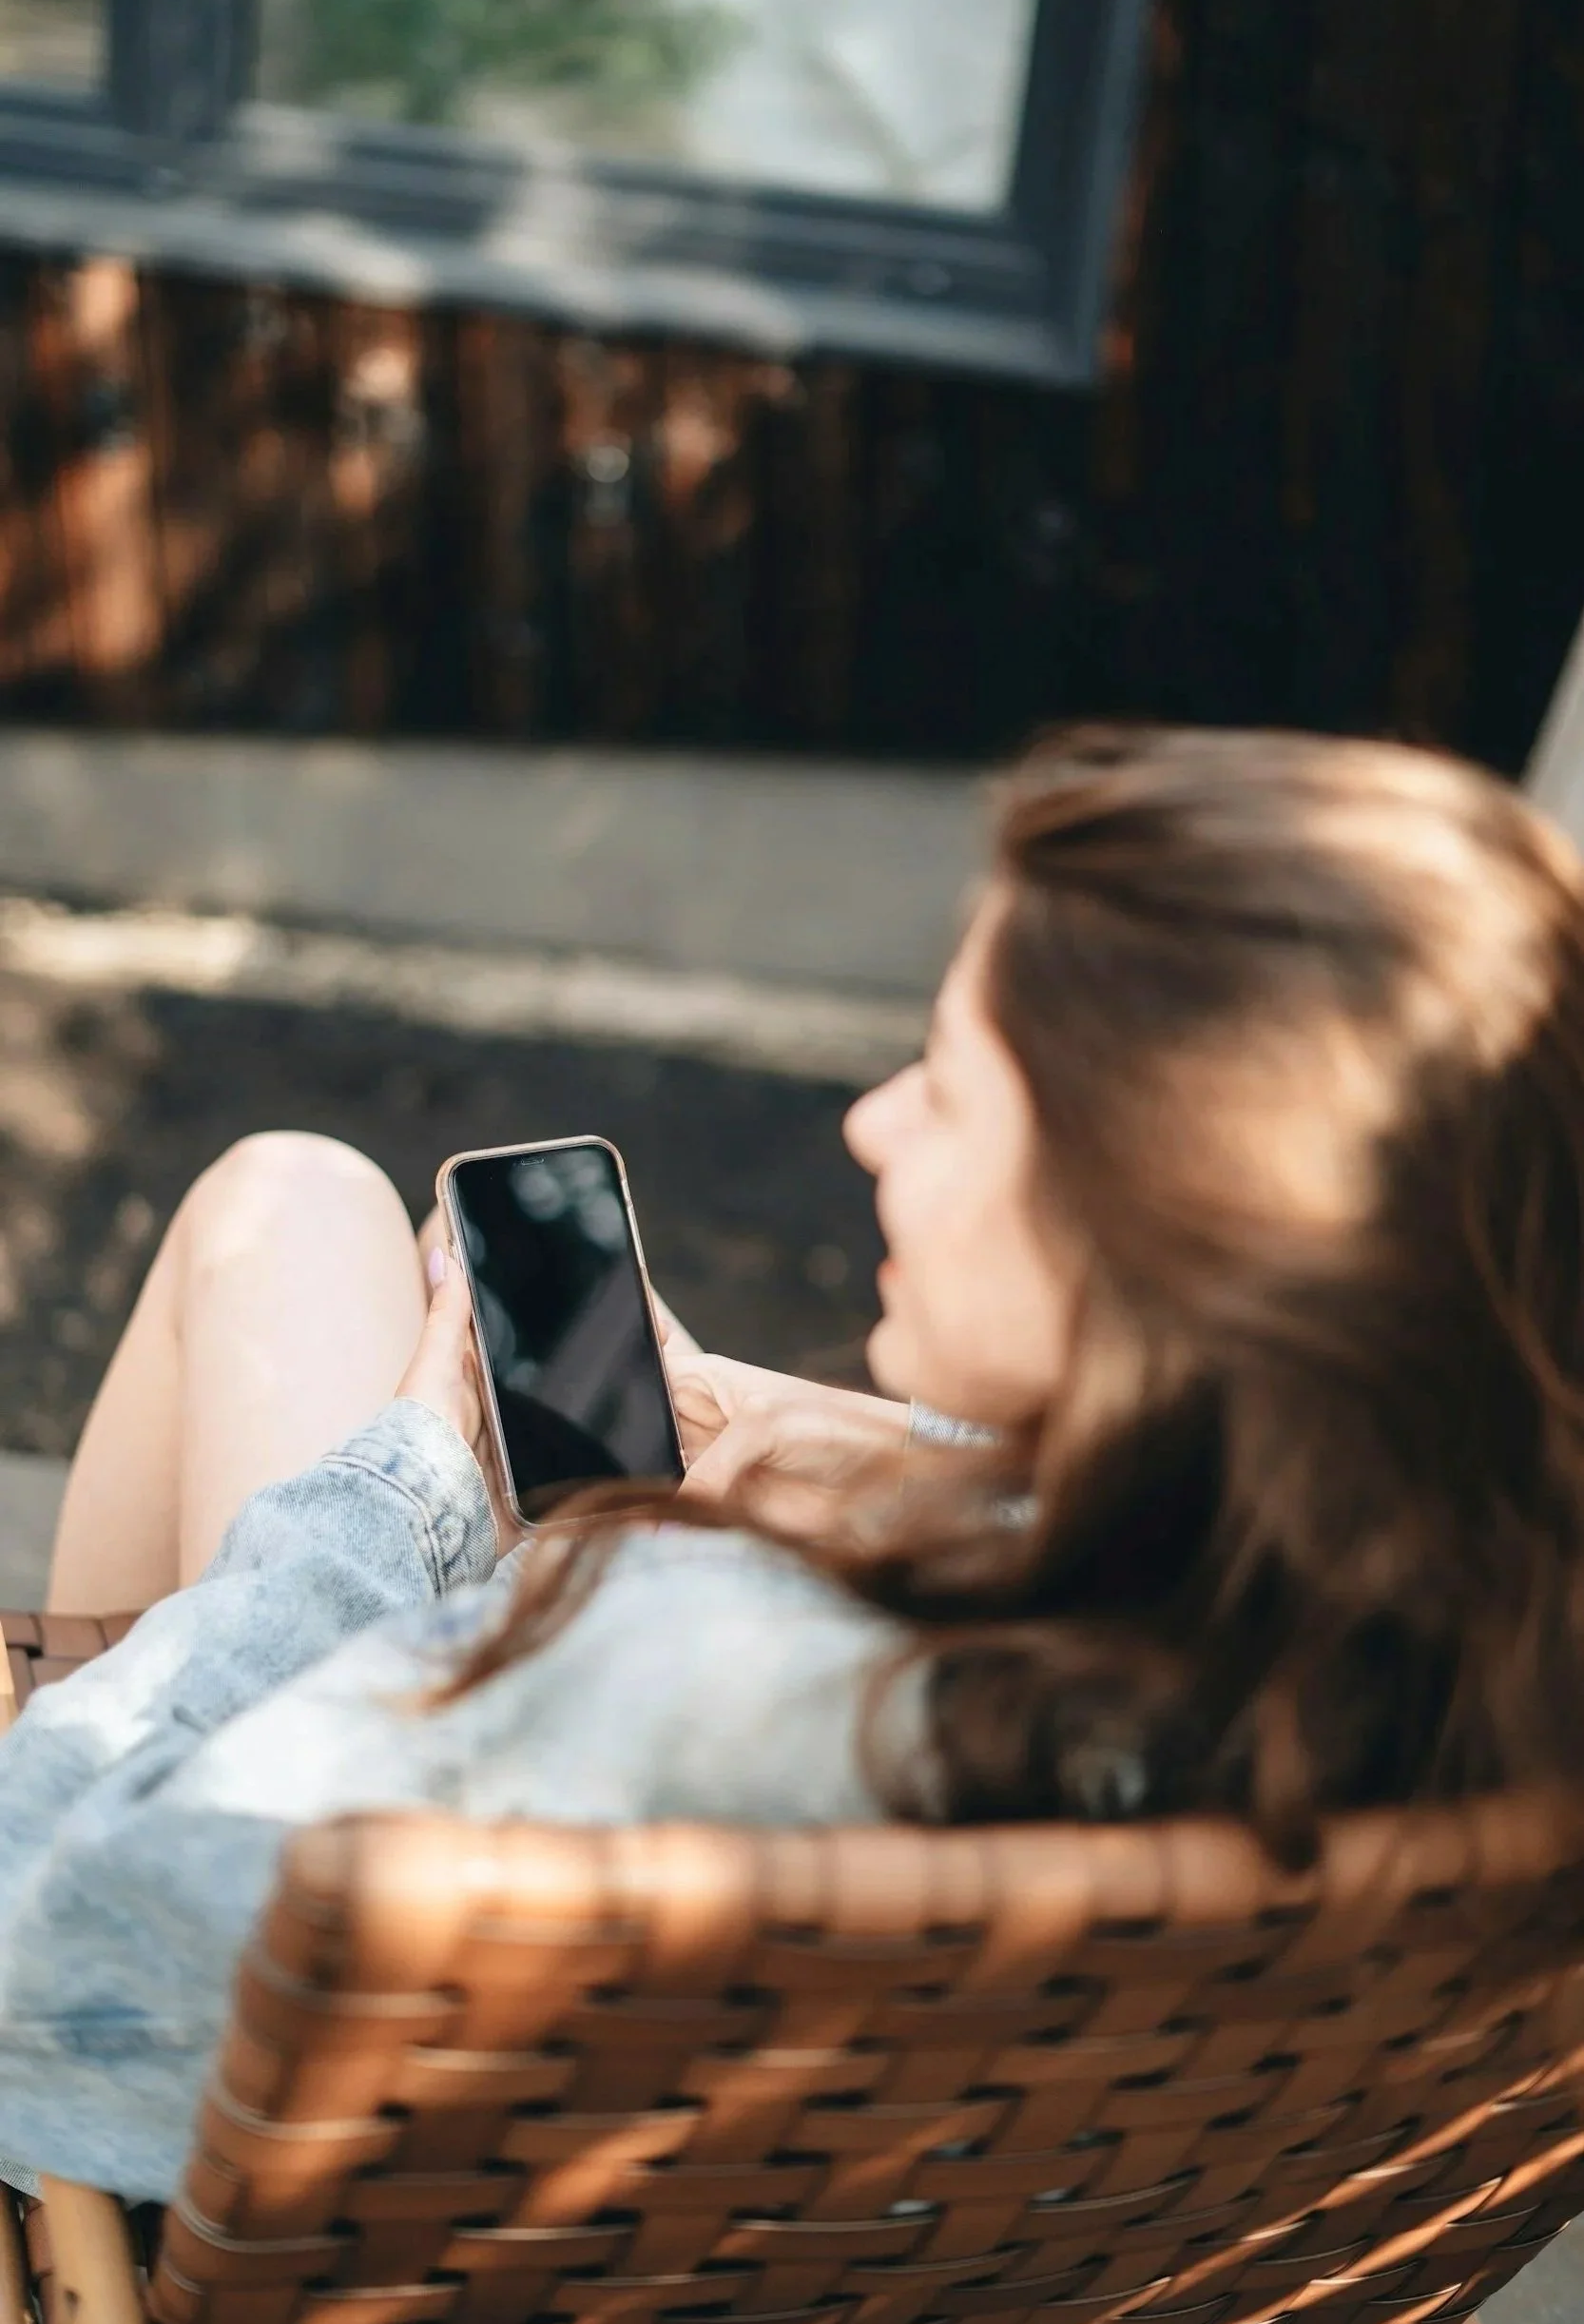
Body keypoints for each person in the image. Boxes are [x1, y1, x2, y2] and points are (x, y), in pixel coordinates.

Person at [6, 722, 1584, 2204]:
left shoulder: (689, 1676)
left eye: (953, 1093)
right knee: (301, 1200)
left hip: (373, 2183)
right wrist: (934, 1475)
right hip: (970, 2243)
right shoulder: (1468, 1676)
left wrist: (403, 1488)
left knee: (282, 1208)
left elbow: (39, 1950)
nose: (872, 1124)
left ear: (1162, 1246)